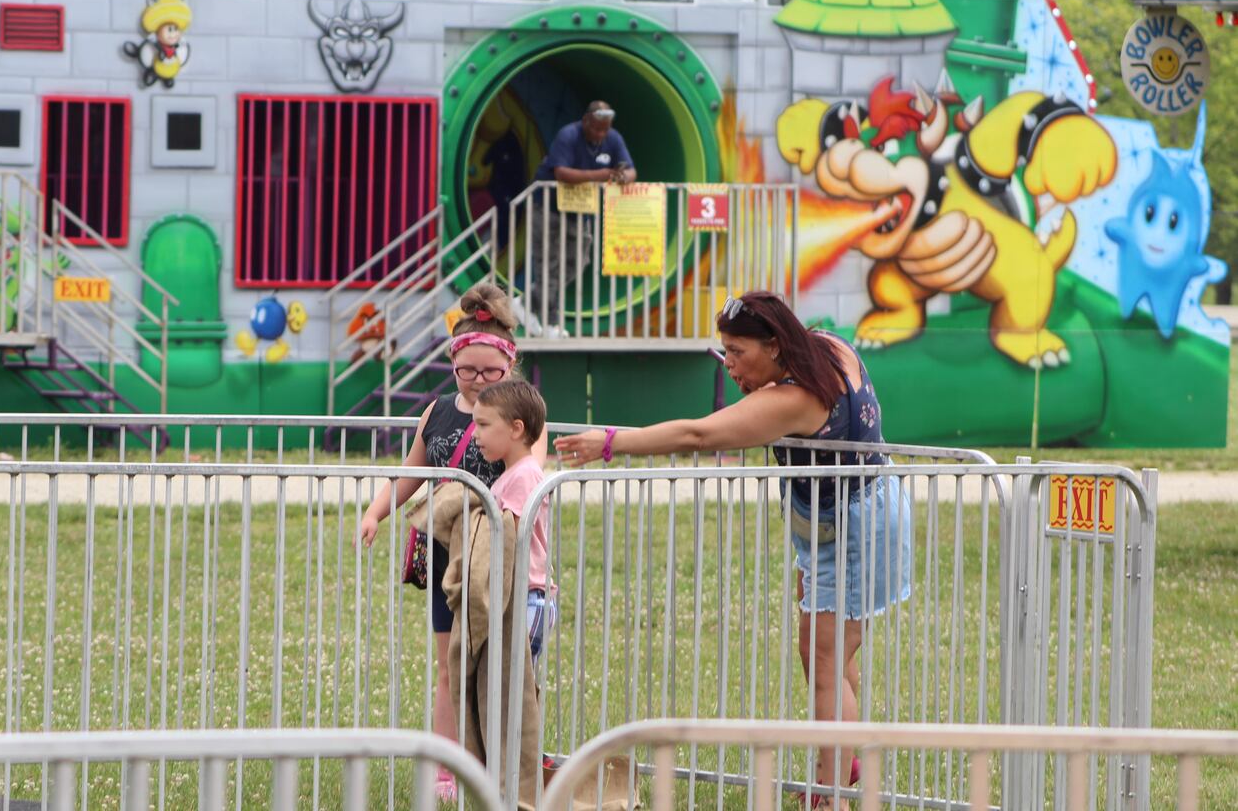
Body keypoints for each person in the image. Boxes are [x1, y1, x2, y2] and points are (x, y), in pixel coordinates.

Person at [553, 290, 911, 811]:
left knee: (826, 656)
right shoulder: (826, 348)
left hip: (856, 523)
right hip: (832, 517)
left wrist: (610, 442)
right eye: (723, 351)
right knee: (824, 650)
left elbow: (699, 434)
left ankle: (830, 792)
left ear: (774, 346)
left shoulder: (794, 398)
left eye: (737, 352)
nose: (730, 366)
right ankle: (842, 757)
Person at [357, 281, 548, 801]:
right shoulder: (436, 412)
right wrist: (377, 511)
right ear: (452, 363)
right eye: (468, 371)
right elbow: (410, 474)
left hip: (500, 558)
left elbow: (534, 475)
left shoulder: (524, 414)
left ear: (509, 366)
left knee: (502, 666)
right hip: (449, 558)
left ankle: (504, 762)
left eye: (491, 372)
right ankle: (451, 764)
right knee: (450, 664)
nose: (478, 380)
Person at [526, 101, 637, 338]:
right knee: (549, 263)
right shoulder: (568, 134)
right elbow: (562, 173)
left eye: (604, 130)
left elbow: (630, 171)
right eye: (596, 129)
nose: (600, 134)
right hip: (548, 207)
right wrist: (604, 175)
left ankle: (528, 301)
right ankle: (551, 323)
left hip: (579, 211)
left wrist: (622, 177)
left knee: (579, 261)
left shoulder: (613, 138)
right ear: (585, 121)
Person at [471, 379, 556, 666]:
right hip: (520, 596)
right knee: (506, 684)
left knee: (512, 686)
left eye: (484, 425)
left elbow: (511, 533)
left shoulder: (524, 475)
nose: (475, 435)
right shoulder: (513, 474)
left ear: (516, 428)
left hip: (528, 597)